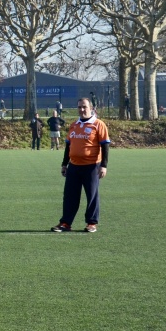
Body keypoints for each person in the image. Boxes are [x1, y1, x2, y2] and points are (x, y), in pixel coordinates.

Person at [52, 97, 110, 234]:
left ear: (91, 108)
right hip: (74, 166)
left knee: (92, 196)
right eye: (79, 107)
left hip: (92, 166)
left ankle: (91, 223)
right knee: (70, 196)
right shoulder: (74, 125)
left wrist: (104, 165)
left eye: (84, 107)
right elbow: (68, 146)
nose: (82, 109)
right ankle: (65, 223)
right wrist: (64, 164)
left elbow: (105, 146)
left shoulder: (98, 124)